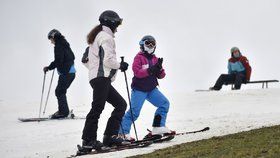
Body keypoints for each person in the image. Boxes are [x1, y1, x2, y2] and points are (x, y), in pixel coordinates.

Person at [80, 10, 129, 151]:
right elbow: (108, 60)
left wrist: (94, 70)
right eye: (117, 24)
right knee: (97, 108)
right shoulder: (106, 37)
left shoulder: (97, 36)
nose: (117, 28)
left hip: (99, 78)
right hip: (101, 79)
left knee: (120, 104)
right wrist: (121, 65)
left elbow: (85, 60)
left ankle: (109, 137)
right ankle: (89, 140)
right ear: (111, 23)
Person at [119, 35, 174, 141]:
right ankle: (122, 133)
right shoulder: (139, 57)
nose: (151, 46)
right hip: (139, 90)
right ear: (142, 45)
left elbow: (161, 76)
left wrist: (159, 69)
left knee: (164, 104)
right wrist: (151, 70)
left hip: (152, 89)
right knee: (134, 112)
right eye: (148, 43)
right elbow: (138, 73)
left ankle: (158, 127)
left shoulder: (155, 59)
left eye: (153, 44)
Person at [43, 29, 76, 119]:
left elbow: (59, 60)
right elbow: (72, 57)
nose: (51, 42)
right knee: (60, 91)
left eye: (51, 39)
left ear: (54, 36)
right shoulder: (65, 44)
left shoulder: (59, 46)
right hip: (70, 73)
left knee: (59, 91)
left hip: (66, 73)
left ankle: (63, 112)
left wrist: (49, 67)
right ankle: (64, 111)